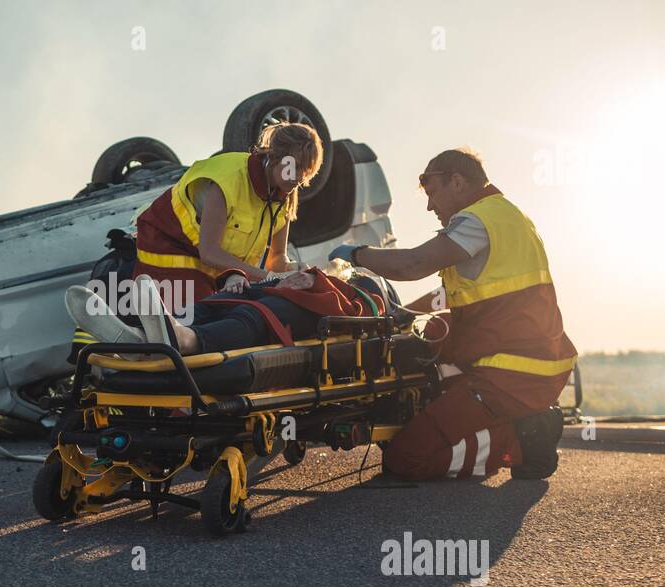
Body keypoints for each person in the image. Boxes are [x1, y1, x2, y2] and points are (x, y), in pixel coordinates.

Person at [329, 148, 577, 480]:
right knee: (434, 337)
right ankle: (505, 421)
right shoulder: (507, 215)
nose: (430, 206)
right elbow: (456, 293)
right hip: (531, 361)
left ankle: (523, 441)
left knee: (405, 458)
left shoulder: (476, 220)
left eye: (433, 194)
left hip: (510, 372)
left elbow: (413, 264)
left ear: (457, 182)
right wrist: (403, 314)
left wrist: (356, 254)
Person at [132, 122, 323, 302]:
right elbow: (210, 253)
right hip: (168, 249)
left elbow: (276, 258)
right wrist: (271, 278)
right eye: (295, 166)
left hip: (214, 268)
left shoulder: (286, 192)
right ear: (275, 156)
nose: (299, 177)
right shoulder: (229, 179)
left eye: (306, 171)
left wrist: (293, 270)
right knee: (200, 314)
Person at [65, 269, 386, 357]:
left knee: (252, 319)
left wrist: (318, 280)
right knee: (208, 305)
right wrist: (236, 276)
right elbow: (268, 276)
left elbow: (362, 311)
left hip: (291, 311)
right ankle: (138, 339)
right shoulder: (303, 275)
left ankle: (180, 339)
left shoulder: (361, 294)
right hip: (256, 295)